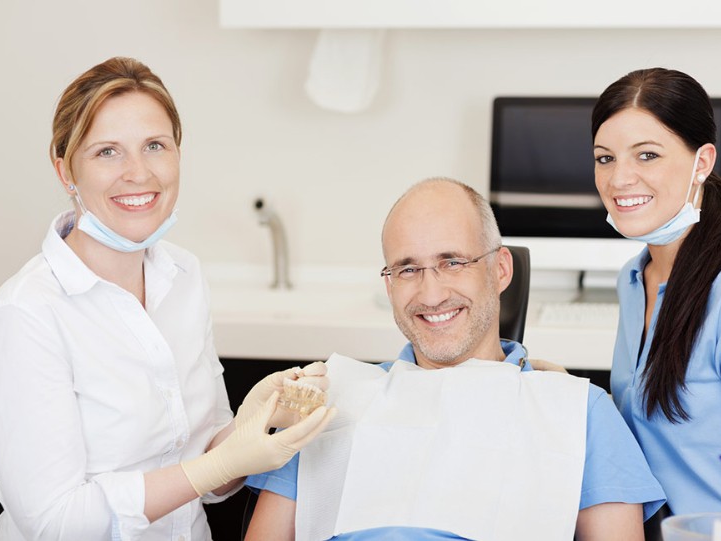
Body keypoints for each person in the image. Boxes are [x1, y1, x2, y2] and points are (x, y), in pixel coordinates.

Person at [0, 57, 335, 540]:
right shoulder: (27, 312)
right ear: (65, 169)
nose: (138, 172)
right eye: (107, 152)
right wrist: (216, 466)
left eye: (155, 145)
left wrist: (254, 423)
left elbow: (211, 475)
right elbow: (55, 522)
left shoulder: (183, 276)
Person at [244, 177, 665, 541]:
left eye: (452, 262)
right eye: (407, 270)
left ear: (501, 270)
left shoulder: (579, 412)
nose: (431, 294)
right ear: (388, 286)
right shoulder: (330, 401)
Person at [591, 67, 721, 518]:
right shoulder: (633, 279)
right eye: (605, 158)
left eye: (647, 155)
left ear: (702, 162)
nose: (619, 179)